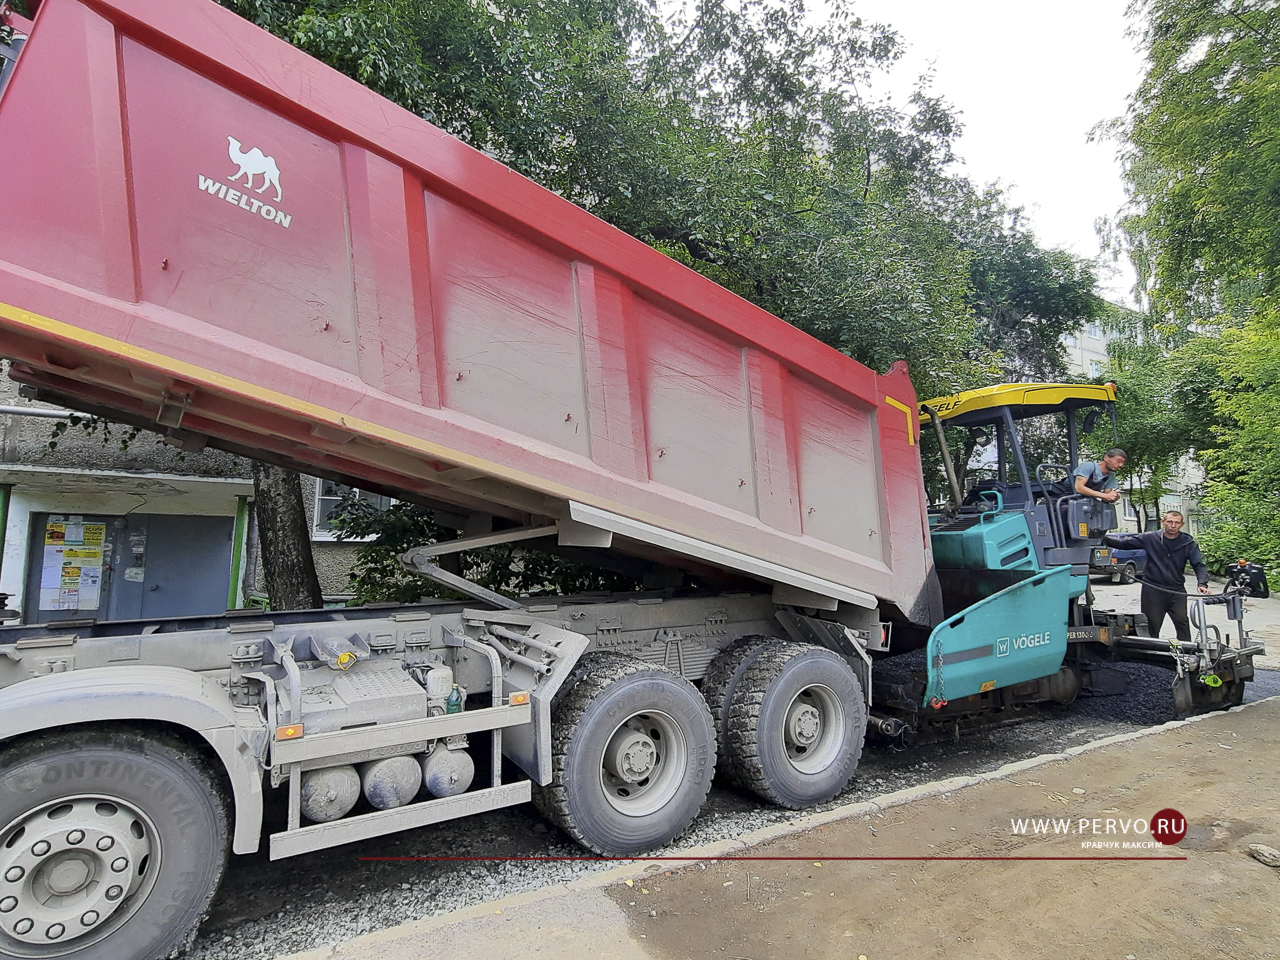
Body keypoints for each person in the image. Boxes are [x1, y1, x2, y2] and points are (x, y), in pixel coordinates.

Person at [1104, 510, 1211, 644]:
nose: (1173, 525)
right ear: (1163, 522)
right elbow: (1124, 544)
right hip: (1153, 589)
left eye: (1177, 523)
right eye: (1170, 522)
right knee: (1151, 624)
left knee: (1182, 621)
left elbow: (1199, 565)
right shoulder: (1150, 538)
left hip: (1176, 590)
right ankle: (1151, 656)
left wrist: (1202, 583)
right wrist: (1101, 537)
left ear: (1181, 524)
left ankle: (1187, 654)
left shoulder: (1188, 543)